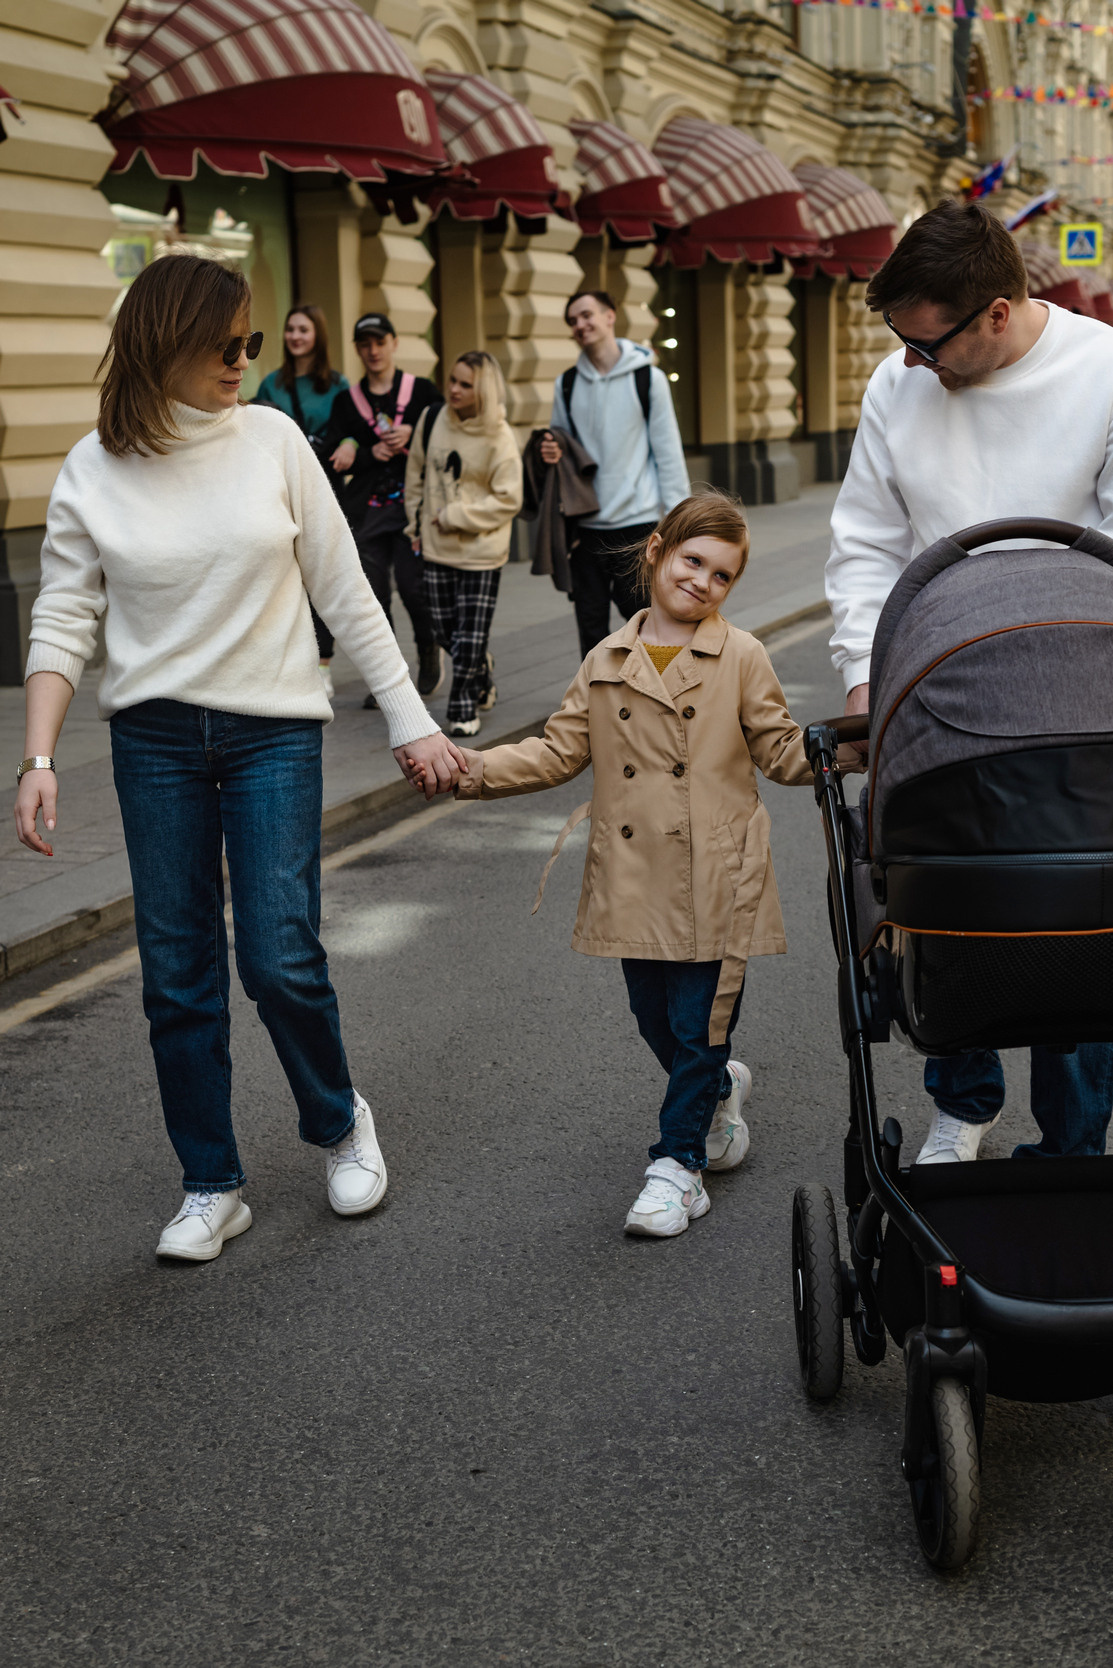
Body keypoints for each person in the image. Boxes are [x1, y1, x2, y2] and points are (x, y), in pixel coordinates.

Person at [13, 254, 465, 1263]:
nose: (246, 360)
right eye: (227, 345)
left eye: (253, 341)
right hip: (155, 739)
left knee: (277, 954)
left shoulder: (272, 440)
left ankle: (340, 1118)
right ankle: (210, 1182)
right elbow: (61, 614)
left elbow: (346, 588)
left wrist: (410, 718)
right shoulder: (95, 466)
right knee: (176, 975)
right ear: (163, 347)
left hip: (271, 731)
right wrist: (36, 759)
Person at [826, 196, 1113, 1165]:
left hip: (1076, 697)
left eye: (928, 343)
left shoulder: (1101, 370)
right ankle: (965, 1094)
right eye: (900, 342)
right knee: (935, 893)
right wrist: (866, 687)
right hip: (936, 695)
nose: (914, 362)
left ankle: (1076, 1141)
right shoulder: (894, 388)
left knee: (1082, 907)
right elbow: (865, 544)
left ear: (997, 312)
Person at [444, 491, 814, 1234]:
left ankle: (678, 1168)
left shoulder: (740, 655)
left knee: (697, 1027)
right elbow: (557, 752)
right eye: (692, 561)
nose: (702, 582)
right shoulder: (605, 659)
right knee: (656, 1021)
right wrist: (470, 770)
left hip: (717, 873)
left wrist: (849, 750)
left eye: (721, 576)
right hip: (632, 876)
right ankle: (712, 1094)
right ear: (655, 551)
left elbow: (780, 749)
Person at [539, 291, 690, 658]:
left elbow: (667, 452)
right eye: (573, 321)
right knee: (591, 626)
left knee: (648, 622)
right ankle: (600, 703)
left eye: (586, 315)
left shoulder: (648, 379)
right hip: (585, 528)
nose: (580, 325)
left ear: (610, 316)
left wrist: (681, 524)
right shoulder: (567, 384)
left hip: (636, 526)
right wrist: (551, 451)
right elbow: (562, 446)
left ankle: (664, 693)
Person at [324, 313, 445, 705]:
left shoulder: (423, 393)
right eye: (365, 344)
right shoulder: (346, 401)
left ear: (394, 343)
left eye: (379, 342)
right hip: (368, 514)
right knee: (374, 598)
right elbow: (331, 453)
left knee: (413, 588)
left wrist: (416, 430)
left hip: (413, 513)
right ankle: (390, 680)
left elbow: (449, 431)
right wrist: (360, 452)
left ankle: (429, 649)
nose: (373, 351)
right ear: (358, 349)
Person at [404, 352, 523, 738]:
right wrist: (415, 524)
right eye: (452, 380)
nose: (453, 389)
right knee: (442, 629)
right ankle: (481, 671)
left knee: (470, 632)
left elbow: (509, 498)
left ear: (483, 391)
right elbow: (417, 474)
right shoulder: (432, 419)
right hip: (436, 545)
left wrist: (455, 515)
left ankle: (462, 706)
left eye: (465, 384)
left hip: (482, 551)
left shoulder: (500, 436)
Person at [254, 302, 349, 697]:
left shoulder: (338, 385)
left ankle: (323, 664)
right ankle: (290, 661)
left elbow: (352, 427)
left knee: (322, 571)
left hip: (326, 487)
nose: (295, 336)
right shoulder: (272, 384)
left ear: (318, 336)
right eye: (291, 329)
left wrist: (350, 443)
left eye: (303, 330)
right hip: (281, 490)